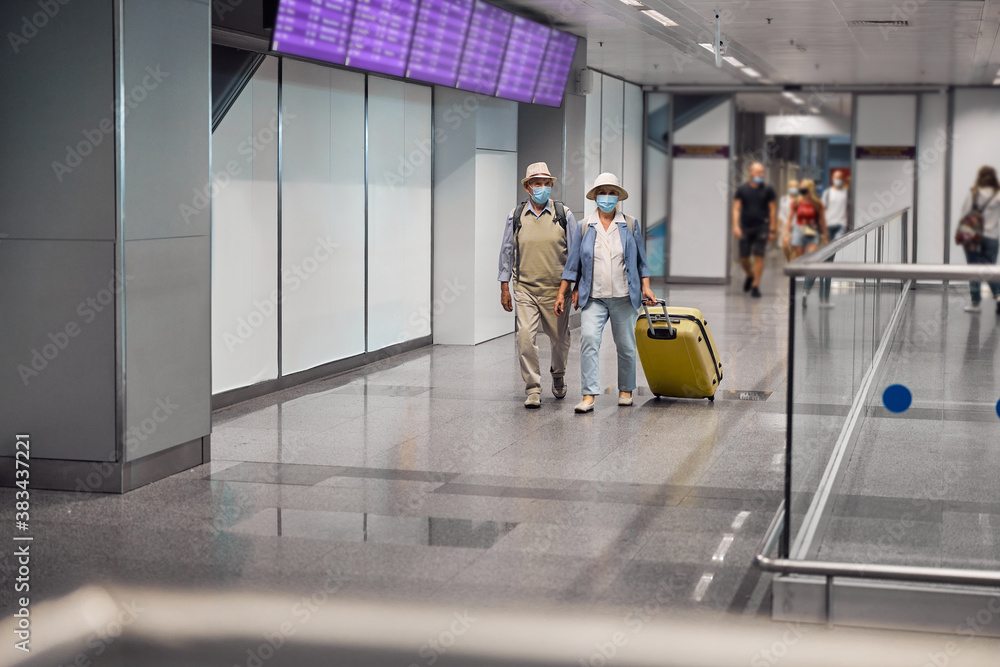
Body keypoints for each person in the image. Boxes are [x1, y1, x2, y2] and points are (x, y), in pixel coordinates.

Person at [555, 173, 656, 413]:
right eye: (603, 192)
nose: (607, 197)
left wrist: (646, 286)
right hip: (594, 297)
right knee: (589, 340)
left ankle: (626, 390)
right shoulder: (584, 226)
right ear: (595, 196)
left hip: (624, 296)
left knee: (626, 345)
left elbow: (642, 260)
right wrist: (564, 292)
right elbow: (573, 264)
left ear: (618, 197)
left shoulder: (629, 224)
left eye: (612, 193)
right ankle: (588, 395)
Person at [498, 162, 579, 408]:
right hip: (525, 290)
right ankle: (533, 388)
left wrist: (575, 288)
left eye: (546, 183)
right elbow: (506, 251)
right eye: (537, 183)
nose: (542, 188)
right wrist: (504, 286)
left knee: (560, 339)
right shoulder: (516, 215)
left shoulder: (564, 214)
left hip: (557, 292)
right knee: (525, 338)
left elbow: (575, 254)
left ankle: (558, 374)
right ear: (528, 187)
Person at [802, 170, 850, 307]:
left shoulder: (845, 194)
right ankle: (811, 292)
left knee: (827, 264)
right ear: (832, 179)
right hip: (827, 229)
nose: (838, 180)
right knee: (822, 262)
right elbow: (822, 214)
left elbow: (845, 212)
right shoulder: (827, 194)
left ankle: (822, 298)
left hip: (838, 229)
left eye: (840, 178)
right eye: (836, 178)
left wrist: (845, 230)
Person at [958, 166, 1000, 314]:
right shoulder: (998, 194)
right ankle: (999, 295)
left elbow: (965, 214)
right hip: (992, 237)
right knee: (990, 269)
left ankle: (975, 304)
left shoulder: (974, 193)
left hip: (973, 237)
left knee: (974, 270)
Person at [733, 162, 777, 298]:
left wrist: (772, 229)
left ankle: (755, 285)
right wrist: (735, 225)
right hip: (745, 227)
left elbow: (772, 209)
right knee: (743, 258)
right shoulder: (742, 189)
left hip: (762, 226)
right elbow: (736, 208)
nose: (761, 175)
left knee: (759, 255)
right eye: (758, 172)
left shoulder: (768, 189)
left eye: (762, 172)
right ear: (751, 172)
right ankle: (750, 275)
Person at [783, 178, 829, 306]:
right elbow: (789, 218)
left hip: (812, 231)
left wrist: (825, 236)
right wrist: (786, 233)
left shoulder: (816, 203)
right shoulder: (796, 202)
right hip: (798, 230)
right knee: (800, 260)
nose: (801, 189)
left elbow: (822, 221)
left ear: (809, 189)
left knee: (813, 262)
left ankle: (805, 290)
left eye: (803, 187)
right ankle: (795, 288)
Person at [777, 179, 800, 261]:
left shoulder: (800, 199)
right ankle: (790, 261)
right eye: (791, 187)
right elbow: (781, 214)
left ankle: (791, 264)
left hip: (796, 226)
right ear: (788, 188)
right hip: (785, 227)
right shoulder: (783, 199)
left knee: (794, 247)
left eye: (795, 187)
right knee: (785, 246)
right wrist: (778, 227)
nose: (793, 188)